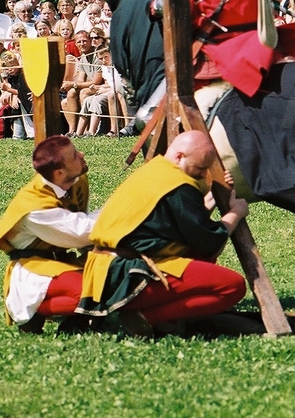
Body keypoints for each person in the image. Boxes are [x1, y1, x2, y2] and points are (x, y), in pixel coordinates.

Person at [74, 131, 248, 335]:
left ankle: (162, 316)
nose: (202, 174)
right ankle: (142, 318)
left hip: (106, 268)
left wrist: (213, 193)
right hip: (126, 274)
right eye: (200, 168)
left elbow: (188, 221)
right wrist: (236, 213)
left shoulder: (156, 171)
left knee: (199, 259)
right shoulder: (177, 186)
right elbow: (208, 241)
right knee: (232, 286)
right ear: (179, 156)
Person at [0, 136, 97, 333]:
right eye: (74, 156)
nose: (81, 155)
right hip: (35, 269)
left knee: (110, 277)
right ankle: (37, 312)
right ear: (59, 172)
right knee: (91, 291)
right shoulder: (35, 209)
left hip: (63, 261)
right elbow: (82, 232)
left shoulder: (76, 180)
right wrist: (122, 212)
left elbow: (83, 221)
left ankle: (79, 318)